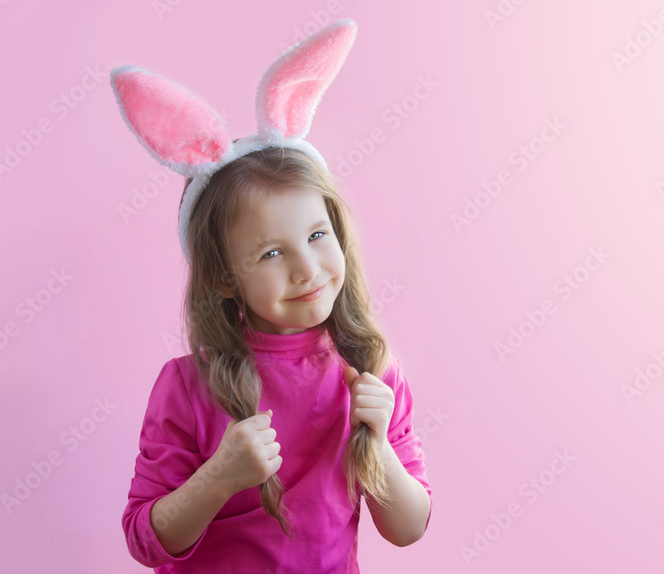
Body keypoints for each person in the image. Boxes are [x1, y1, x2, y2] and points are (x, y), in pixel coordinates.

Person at [111, 18, 432, 573]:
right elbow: (144, 540)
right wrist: (219, 476)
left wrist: (376, 446)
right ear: (223, 278)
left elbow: (407, 528)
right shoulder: (187, 386)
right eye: (271, 253)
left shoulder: (371, 370)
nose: (307, 269)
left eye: (315, 236)